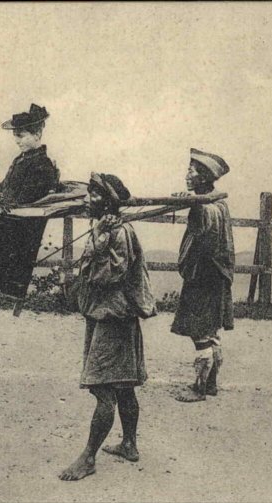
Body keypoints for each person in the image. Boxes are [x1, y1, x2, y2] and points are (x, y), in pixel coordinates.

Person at [60, 172, 156, 481]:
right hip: (106, 314)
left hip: (113, 317)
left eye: (94, 194)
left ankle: (88, 458)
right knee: (123, 383)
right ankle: (129, 444)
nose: (88, 199)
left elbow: (108, 276)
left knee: (103, 387)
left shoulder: (118, 233)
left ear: (109, 201)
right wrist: (98, 235)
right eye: (89, 193)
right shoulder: (105, 227)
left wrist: (98, 242)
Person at [171, 148, 234, 402]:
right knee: (211, 330)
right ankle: (211, 384)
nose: (187, 174)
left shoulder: (207, 207)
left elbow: (204, 241)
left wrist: (191, 203)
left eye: (192, 170)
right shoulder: (218, 204)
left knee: (200, 331)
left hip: (203, 276)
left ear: (204, 177)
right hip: (215, 276)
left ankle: (199, 388)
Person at [0, 103, 60, 207]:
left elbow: (22, 200)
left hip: (17, 218)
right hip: (7, 209)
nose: (16, 141)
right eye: (15, 136)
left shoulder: (42, 164)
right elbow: (3, 187)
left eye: (20, 136)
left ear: (37, 134)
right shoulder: (21, 159)